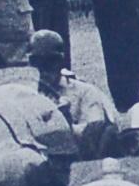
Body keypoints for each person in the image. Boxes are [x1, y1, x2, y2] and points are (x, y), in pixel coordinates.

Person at [27, 29, 118, 161]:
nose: (43, 70)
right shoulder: (23, 93)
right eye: (37, 63)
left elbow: (96, 134)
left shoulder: (84, 92)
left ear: (61, 62)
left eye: (50, 62)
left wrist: (66, 124)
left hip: (75, 162)